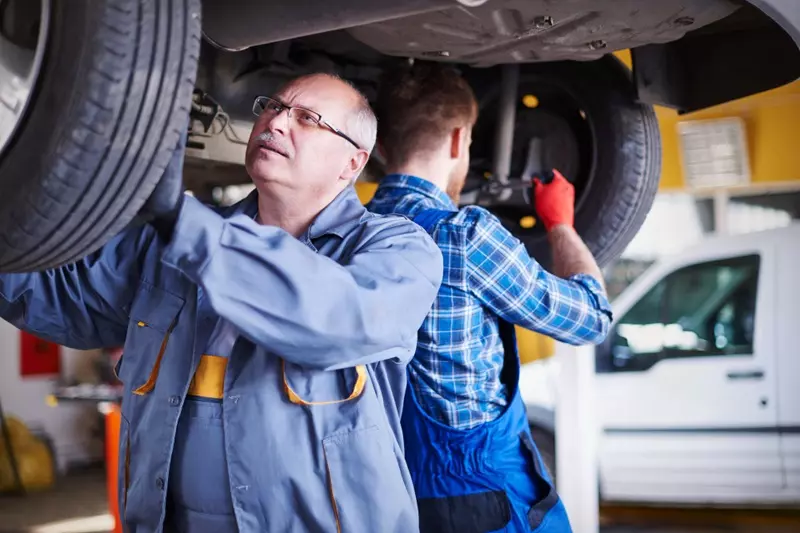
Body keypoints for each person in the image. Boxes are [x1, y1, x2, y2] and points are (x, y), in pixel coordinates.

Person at [0, 73, 443, 533]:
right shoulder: (171, 244)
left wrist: (182, 222)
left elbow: (340, 320)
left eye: (307, 119)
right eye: (272, 107)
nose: (276, 123)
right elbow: (64, 299)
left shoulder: (397, 249)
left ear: (352, 163)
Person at [367, 64, 613, 532]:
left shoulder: (345, 233)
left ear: (380, 146)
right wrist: (560, 224)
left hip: (389, 497)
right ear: (460, 139)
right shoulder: (465, 237)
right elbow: (592, 318)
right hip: (486, 500)